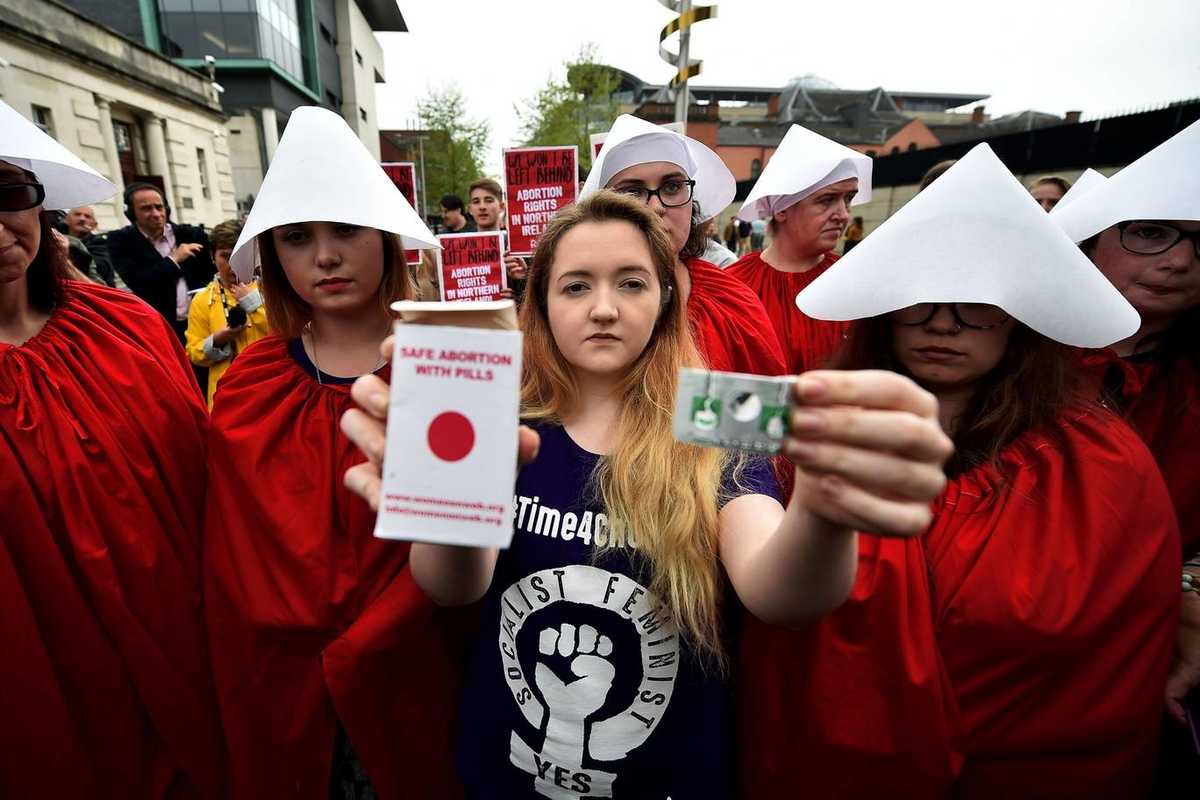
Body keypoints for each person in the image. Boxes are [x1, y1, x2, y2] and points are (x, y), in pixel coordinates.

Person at [339, 190, 953, 797]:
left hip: (671, 777)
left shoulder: (722, 417)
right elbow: (451, 587)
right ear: (541, 305)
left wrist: (822, 506)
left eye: (630, 283)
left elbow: (778, 592)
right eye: (576, 286)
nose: (604, 308)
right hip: (506, 771)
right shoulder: (501, 421)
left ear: (666, 299)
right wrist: (445, 502)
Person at [740, 145, 1179, 799]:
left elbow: (1105, 654)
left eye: (977, 305)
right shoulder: (815, 419)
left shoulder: (1097, 463)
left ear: (1018, 318)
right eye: (919, 302)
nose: (943, 324)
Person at [202, 106, 460, 799]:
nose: (324, 256)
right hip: (283, 689)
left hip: (422, 673)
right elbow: (233, 557)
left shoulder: (449, 370)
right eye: (296, 238)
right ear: (275, 258)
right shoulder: (251, 383)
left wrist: (374, 636)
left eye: (345, 229)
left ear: (383, 238)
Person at [0, 99, 223, 797]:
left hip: (196, 660)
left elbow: (212, 480)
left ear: (39, 203)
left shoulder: (125, 324)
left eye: (7, 192)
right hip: (59, 702)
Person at [1053, 119, 1200, 783]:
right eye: (1149, 232)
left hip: (1149, 660)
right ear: (1091, 242)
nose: (1178, 260)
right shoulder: (1008, 355)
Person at [580, 114, 786, 376]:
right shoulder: (569, 299)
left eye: (672, 186)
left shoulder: (730, 299)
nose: (656, 206)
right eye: (632, 192)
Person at [728, 124, 872, 374]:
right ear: (782, 209)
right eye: (826, 200)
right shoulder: (734, 286)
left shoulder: (855, 283)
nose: (843, 214)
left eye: (848, 199)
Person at [107, 182, 216, 341]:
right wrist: (174, 259)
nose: (156, 214)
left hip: (201, 324)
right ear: (131, 213)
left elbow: (209, 277)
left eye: (159, 207)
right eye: (146, 208)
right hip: (159, 329)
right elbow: (140, 283)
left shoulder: (192, 235)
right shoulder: (121, 241)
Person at [184, 219, 269, 408]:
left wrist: (254, 303)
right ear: (213, 257)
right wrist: (218, 339)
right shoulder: (202, 300)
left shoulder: (271, 290)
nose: (233, 264)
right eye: (225, 256)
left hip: (269, 391)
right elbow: (193, 353)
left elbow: (288, 334)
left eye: (239, 255)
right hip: (226, 399)